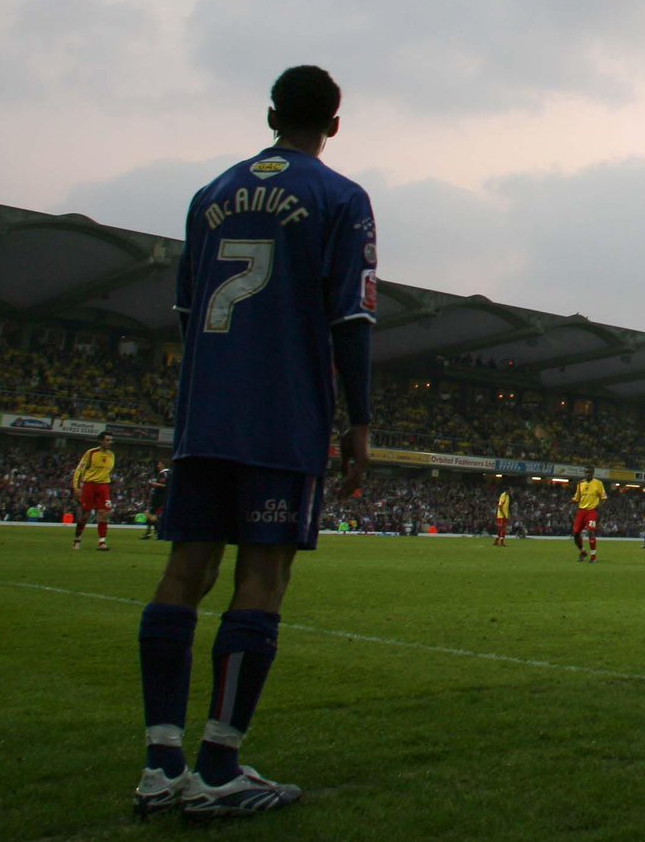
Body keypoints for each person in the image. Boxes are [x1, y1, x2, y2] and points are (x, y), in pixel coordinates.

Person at [132, 65, 376, 821]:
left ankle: (160, 763)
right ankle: (217, 767)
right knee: (261, 578)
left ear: (270, 113)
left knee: (185, 570)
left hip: (204, 413)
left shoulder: (208, 196)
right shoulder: (341, 199)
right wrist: (356, 421)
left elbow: (183, 309)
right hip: (280, 416)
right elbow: (352, 321)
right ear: (335, 124)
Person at [72, 433, 117, 550]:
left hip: (104, 486)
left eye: (111, 440)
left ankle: (102, 542)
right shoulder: (91, 453)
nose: (110, 442)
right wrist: (76, 487)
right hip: (89, 485)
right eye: (107, 440)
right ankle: (77, 538)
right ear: (100, 441)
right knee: (85, 515)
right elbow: (79, 469)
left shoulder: (112, 455)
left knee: (104, 514)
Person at [572, 467, 607, 563]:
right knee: (575, 533)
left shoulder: (598, 483)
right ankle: (582, 551)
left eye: (589, 472)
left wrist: (598, 507)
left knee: (591, 532)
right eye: (586, 472)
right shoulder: (580, 484)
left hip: (591, 512)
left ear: (593, 473)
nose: (587, 473)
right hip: (581, 511)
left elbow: (603, 498)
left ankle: (593, 557)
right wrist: (570, 502)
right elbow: (577, 498)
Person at [143, 461, 170, 540]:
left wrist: (156, 484)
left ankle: (158, 531)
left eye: (159, 464)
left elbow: (166, 485)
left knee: (149, 513)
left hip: (160, 497)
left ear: (163, 464)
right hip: (158, 497)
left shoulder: (164, 473)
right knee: (152, 514)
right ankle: (149, 533)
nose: (157, 465)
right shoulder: (160, 473)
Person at [493, 483, 511, 547]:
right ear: (507, 490)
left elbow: (506, 507)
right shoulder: (503, 495)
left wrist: (508, 514)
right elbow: (500, 506)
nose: (511, 491)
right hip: (501, 515)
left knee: (501, 528)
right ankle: (501, 542)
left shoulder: (508, 496)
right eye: (510, 490)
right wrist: (503, 514)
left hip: (504, 515)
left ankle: (497, 541)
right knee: (502, 529)